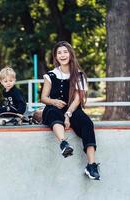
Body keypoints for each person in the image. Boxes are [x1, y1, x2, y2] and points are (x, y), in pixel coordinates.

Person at [41, 41, 100, 180]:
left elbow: (78, 99)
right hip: (55, 107)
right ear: (55, 57)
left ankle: (91, 165)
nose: (62, 55)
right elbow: (44, 98)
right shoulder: (51, 75)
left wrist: (68, 114)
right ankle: (63, 143)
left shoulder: (79, 75)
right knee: (52, 112)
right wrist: (53, 101)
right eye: (59, 53)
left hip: (73, 109)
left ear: (70, 54)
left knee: (87, 123)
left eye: (65, 52)